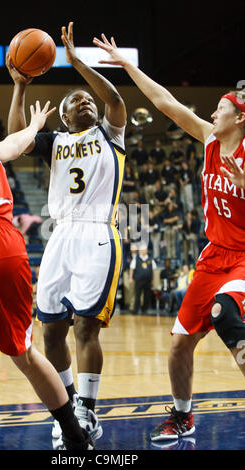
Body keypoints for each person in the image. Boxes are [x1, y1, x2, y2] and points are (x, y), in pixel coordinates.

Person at [93, 34, 245, 441]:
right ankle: (182, 417)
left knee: (226, 312)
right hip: (215, 255)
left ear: (240, 117)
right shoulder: (211, 141)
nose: (212, 113)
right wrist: (126, 64)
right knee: (180, 343)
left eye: (221, 109)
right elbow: (165, 102)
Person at [0, 80, 94, 451]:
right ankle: (77, 438)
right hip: (7, 244)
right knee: (25, 352)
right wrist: (34, 125)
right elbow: (16, 144)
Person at [6, 22, 127, 446]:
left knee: (85, 329)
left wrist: (77, 63)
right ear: (63, 114)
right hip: (60, 237)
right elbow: (16, 139)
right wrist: (20, 87)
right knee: (51, 330)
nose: (87, 102)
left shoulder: (111, 134)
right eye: (77, 99)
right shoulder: (55, 142)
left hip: (97, 233)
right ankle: (69, 407)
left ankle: (88, 411)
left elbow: (113, 97)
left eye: (88, 99)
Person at [129, 245, 157, 314]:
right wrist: (130, 278)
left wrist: (153, 279)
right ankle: (135, 310)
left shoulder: (151, 259)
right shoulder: (136, 259)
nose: (143, 251)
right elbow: (132, 269)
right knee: (137, 295)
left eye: (144, 249)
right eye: (141, 250)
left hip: (148, 280)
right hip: (138, 280)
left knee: (147, 295)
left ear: (147, 250)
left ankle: (145, 309)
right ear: (139, 251)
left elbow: (153, 270)